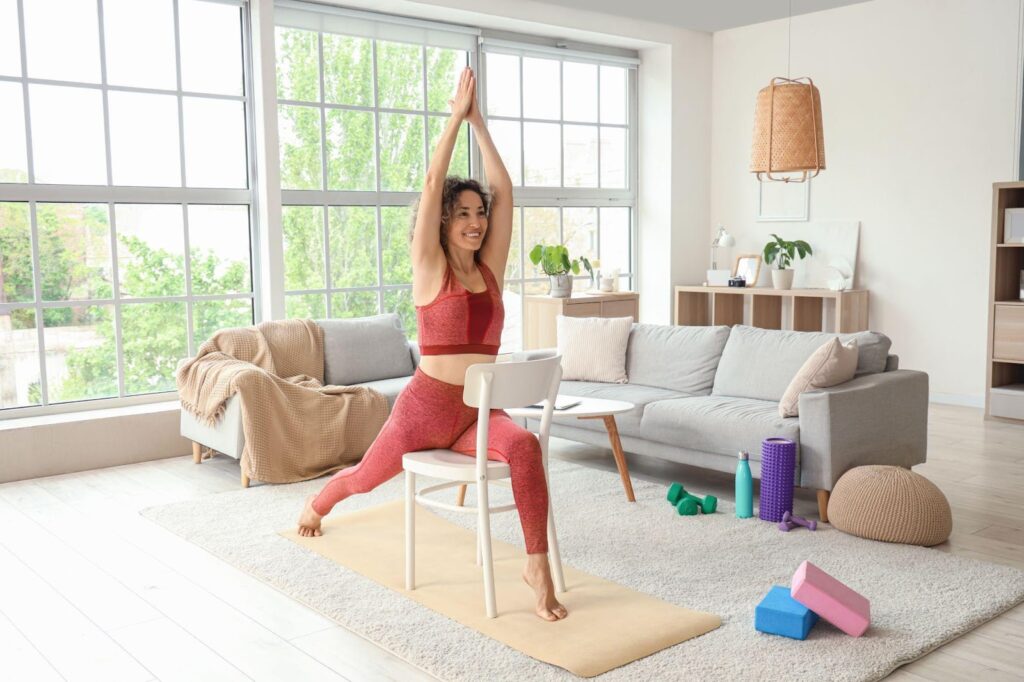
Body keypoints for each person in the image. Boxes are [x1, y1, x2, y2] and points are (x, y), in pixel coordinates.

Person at [298, 67, 567, 622]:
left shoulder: (490, 269)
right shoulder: (429, 268)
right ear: (444, 222)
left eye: (479, 214)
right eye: (462, 214)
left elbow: (506, 190)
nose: (475, 221)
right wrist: (452, 122)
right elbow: (428, 187)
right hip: (425, 410)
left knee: (524, 448)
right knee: (365, 478)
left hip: (478, 415)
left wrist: (479, 122)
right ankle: (318, 503)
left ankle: (536, 565)